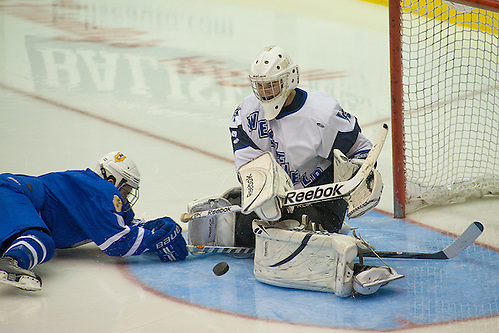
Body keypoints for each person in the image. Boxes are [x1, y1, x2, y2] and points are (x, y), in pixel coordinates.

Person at [186, 45, 400, 296]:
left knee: (291, 233)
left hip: (321, 197)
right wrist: (262, 195)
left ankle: (339, 253)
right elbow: (247, 165)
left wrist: (363, 181)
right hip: (278, 196)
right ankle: (308, 239)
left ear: (289, 80)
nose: (265, 92)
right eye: (261, 86)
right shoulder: (247, 113)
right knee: (250, 229)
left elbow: (361, 151)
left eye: (272, 85)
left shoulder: (322, 114)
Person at [0, 151, 188, 291]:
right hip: (12, 191)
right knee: (40, 240)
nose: (125, 198)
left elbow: (125, 226)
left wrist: (155, 228)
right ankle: (10, 262)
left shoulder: (91, 190)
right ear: (112, 179)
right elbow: (117, 243)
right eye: (126, 190)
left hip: (11, 196)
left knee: (20, 239)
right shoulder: (100, 190)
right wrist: (158, 239)